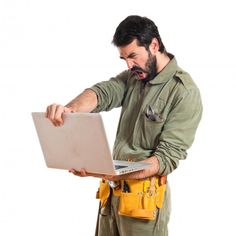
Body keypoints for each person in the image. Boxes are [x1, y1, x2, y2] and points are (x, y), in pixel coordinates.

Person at [46, 15, 202, 236]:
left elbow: (166, 158)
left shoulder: (183, 92)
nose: (129, 65)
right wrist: (69, 110)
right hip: (111, 199)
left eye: (133, 56)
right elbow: (104, 92)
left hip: (143, 205)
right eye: (124, 59)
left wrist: (115, 174)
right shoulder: (134, 77)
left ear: (154, 45)